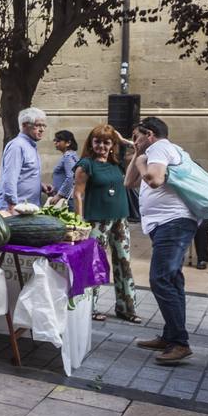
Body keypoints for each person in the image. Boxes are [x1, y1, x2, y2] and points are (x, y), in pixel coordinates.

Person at [126, 117, 197, 364]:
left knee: (161, 278)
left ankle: (179, 342)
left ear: (151, 134)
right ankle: (171, 336)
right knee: (172, 279)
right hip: (166, 225)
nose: (134, 141)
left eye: (137, 136)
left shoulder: (160, 147)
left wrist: (144, 160)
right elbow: (129, 182)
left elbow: (154, 180)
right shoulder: (154, 151)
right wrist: (138, 154)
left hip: (173, 223)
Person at [74, 125, 138, 323]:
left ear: (112, 144)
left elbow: (138, 152)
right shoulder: (86, 164)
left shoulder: (117, 164)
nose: (101, 145)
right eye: (97, 141)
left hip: (120, 218)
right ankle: (89, 308)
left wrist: (123, 140)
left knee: (124, 262)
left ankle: (127, 308)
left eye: (106, 142)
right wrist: (79, 222)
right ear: (91, 143)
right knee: (94, 263)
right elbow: (78, 193)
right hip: (96, 221)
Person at [0, 107, 46, 211]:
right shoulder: (17, 146)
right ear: (24, 125)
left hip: (27, 209)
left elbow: (24, 174)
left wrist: (40, 186)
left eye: (43, 125)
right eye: (37, 125)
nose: (42, 129)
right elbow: (9, 178)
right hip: (16, 209)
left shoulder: (30, 146)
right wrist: (12, 206)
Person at [49, 129, 79, 205]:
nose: (55, 142)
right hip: (69, 197)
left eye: (58, 140)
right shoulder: (72, 155)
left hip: (67, 199)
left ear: (68, 143)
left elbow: (71, 177)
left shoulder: (68, 156)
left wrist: (59, 195)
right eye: (54, 140)